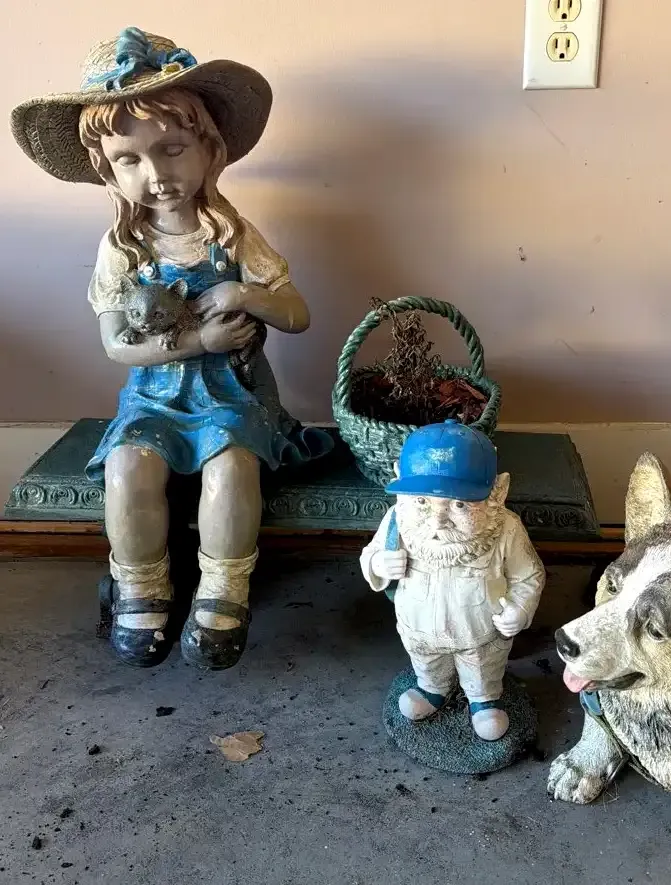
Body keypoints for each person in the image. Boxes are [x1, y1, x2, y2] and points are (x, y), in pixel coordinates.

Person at [11, 27, 332, 670]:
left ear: (209, 149)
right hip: (153, 399)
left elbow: (297, 315)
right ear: (106, 167)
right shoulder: (122, 250)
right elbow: (117, 346)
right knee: (128, 467)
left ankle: (223, 591)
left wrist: (246, 294)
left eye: (173, 149)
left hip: (234, 398)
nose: (156, 175)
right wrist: (198, 340)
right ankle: (142, 589)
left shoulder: (232, 237)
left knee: (232, 464)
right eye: (129, 159)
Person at [360, 420, 546, 741]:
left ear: (497, 494)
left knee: (482, 667)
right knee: (427, 663)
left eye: (459, 504)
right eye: (422, 502)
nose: (438, 521)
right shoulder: (397, 520)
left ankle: (483, 699)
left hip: (480, 633)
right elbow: (370, 556)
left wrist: (520, 609)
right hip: (418, 629)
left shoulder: (507, 529)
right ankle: (432, 688)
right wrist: (379, 563)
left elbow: (528, 575)